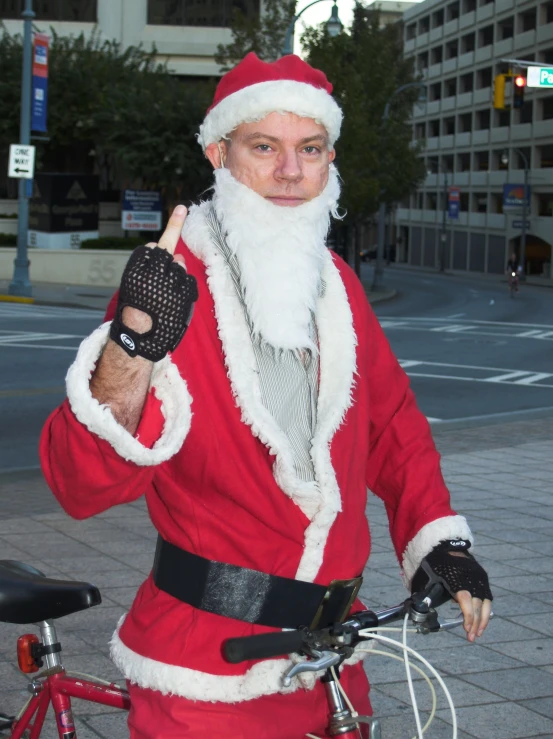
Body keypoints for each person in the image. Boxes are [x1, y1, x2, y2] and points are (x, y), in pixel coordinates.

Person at [40, 53, 492, 738]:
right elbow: (82, 485)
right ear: (218, 152)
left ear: (328, 157)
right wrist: (132, 344)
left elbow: (392, 424)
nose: (289, 171)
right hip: (205, 666)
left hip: (329, 662)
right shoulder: (171, 285)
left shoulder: (337, 285)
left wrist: (438, 542)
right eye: (263, 147)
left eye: (308, 150)